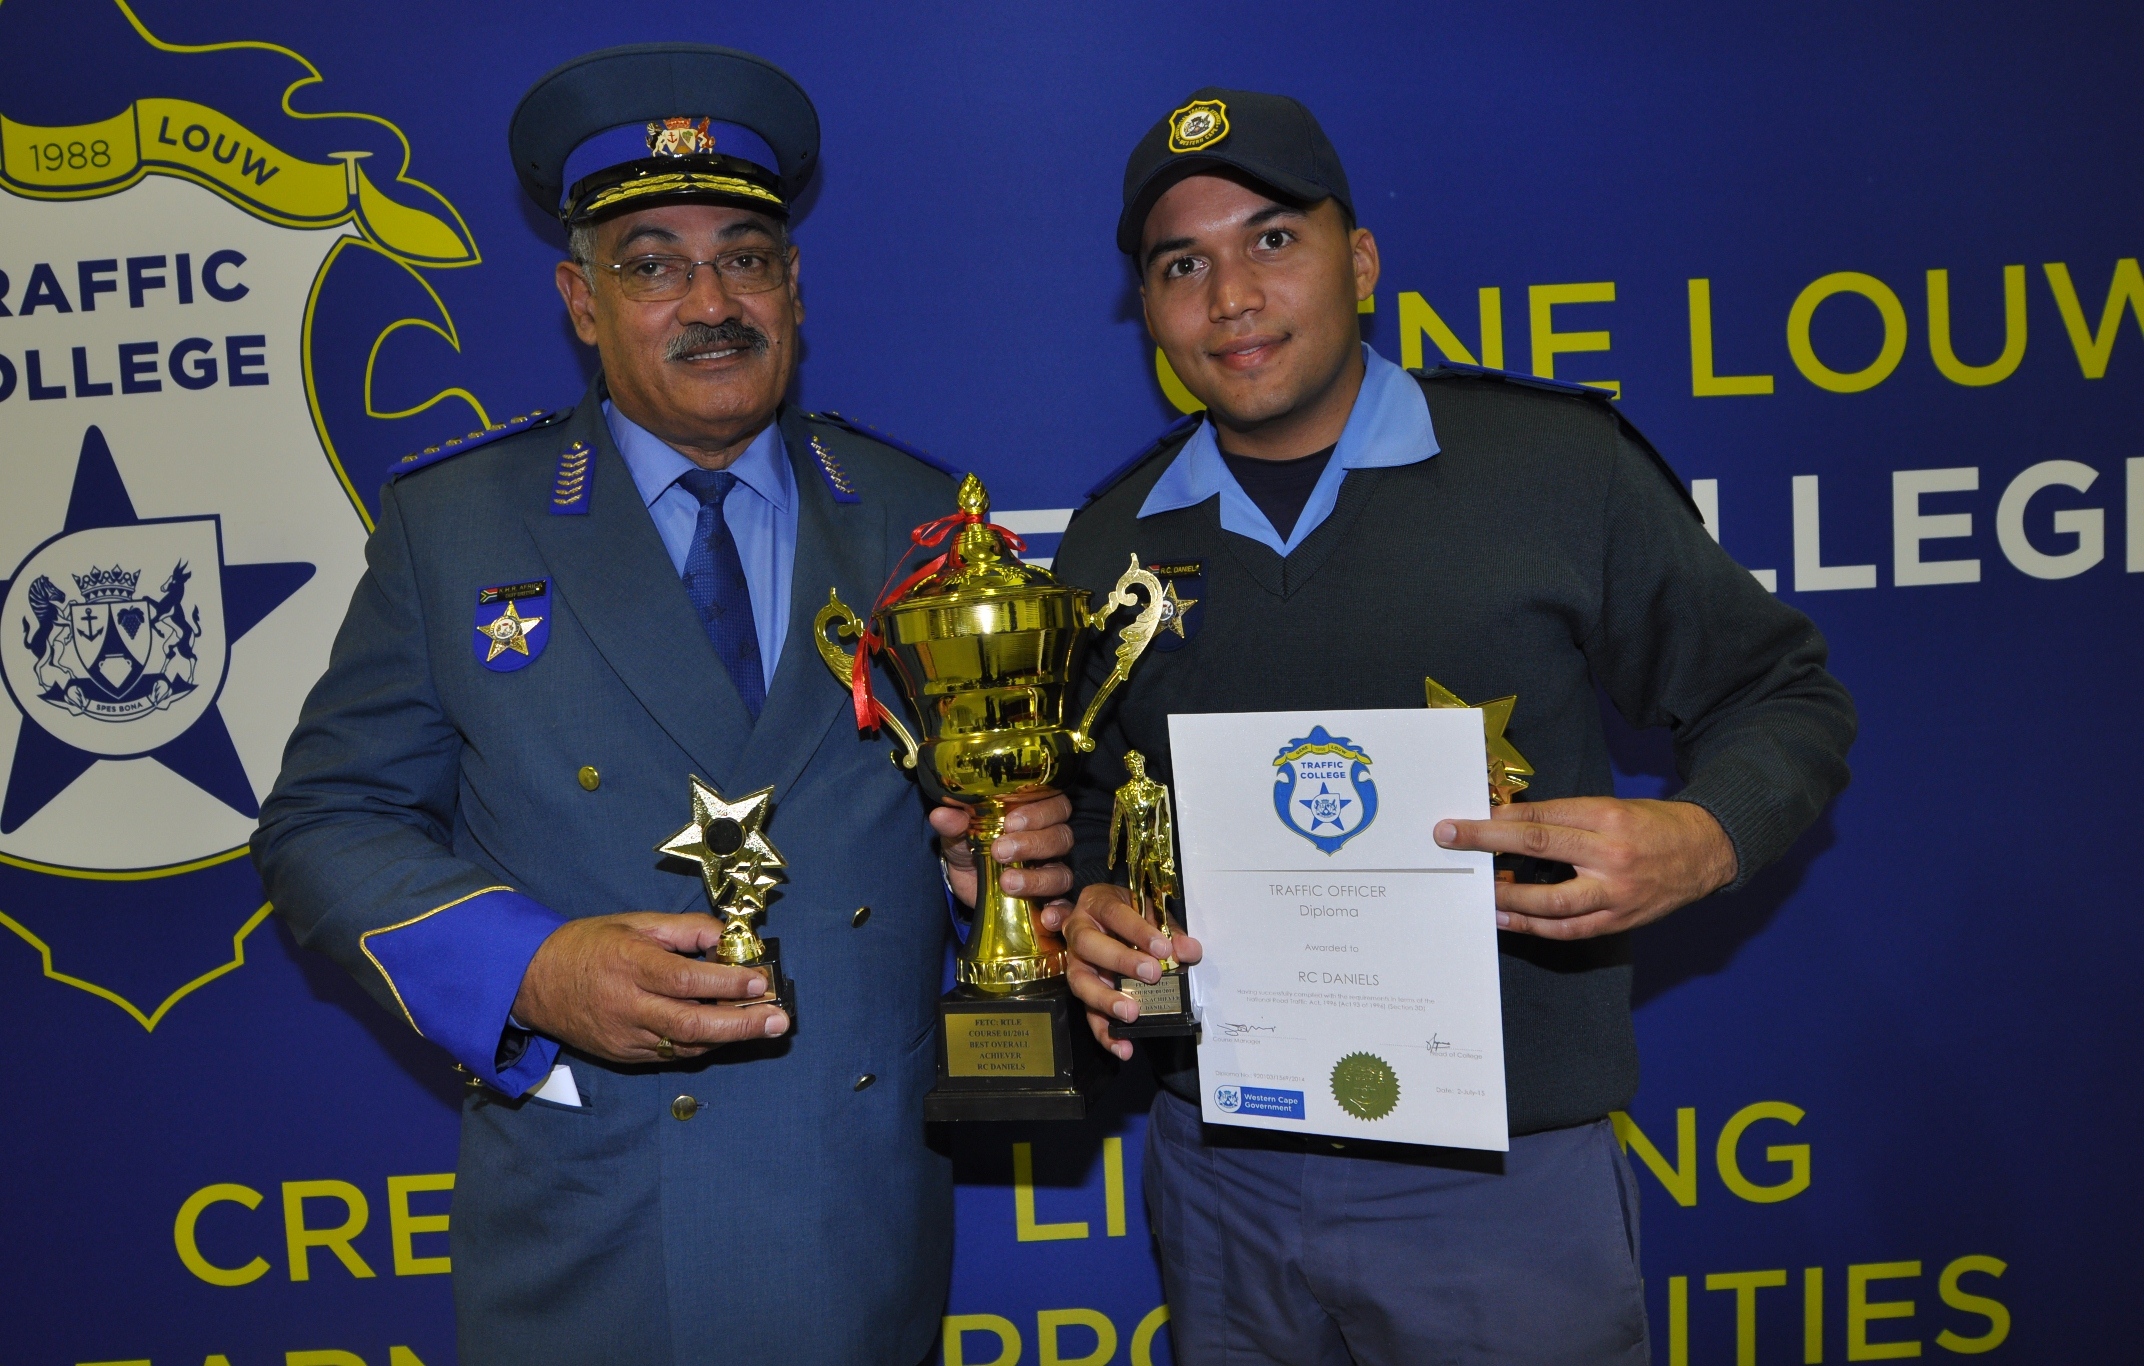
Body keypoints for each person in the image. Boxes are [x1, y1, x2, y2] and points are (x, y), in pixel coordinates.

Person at [252, 44, 1071, 1366]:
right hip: (594, 1225)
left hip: (855, 1213)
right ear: (581, 300)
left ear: (796, 285)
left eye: (747, 255)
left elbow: (1003, 812)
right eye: (651, 262)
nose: (711, 299)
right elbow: (324, 823)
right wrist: (532, 965)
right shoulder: (452, 525)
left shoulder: (926, 520)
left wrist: (1011, 858)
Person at [1049, 87, 1856, 1365]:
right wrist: (1086, 909)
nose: (1230, 298)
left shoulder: (1551, 466)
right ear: (1147, 309)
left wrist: (1703, 836)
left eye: (1271, 241)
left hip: (1501, 1173)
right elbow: (1098, 803)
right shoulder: (1113, 538)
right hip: (1220, 1169)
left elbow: (1783, 695)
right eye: (1180, 264)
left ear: (1357, 263)